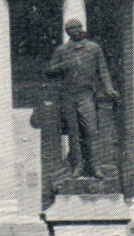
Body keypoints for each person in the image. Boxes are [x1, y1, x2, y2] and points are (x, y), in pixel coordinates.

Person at [44, 18, 117, 178]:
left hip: (86, 95)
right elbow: (49, 70)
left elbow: (103, 70)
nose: (76, 31)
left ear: (82, 29)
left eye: (78, 28)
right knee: (74, 133)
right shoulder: (62, 50)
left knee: (91, 131)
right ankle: (77, 166)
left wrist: (109, 88)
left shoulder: (93, 48)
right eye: (71, 29)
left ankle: (95, 166)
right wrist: (63, 66)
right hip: (68, 96)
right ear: (67, 32)